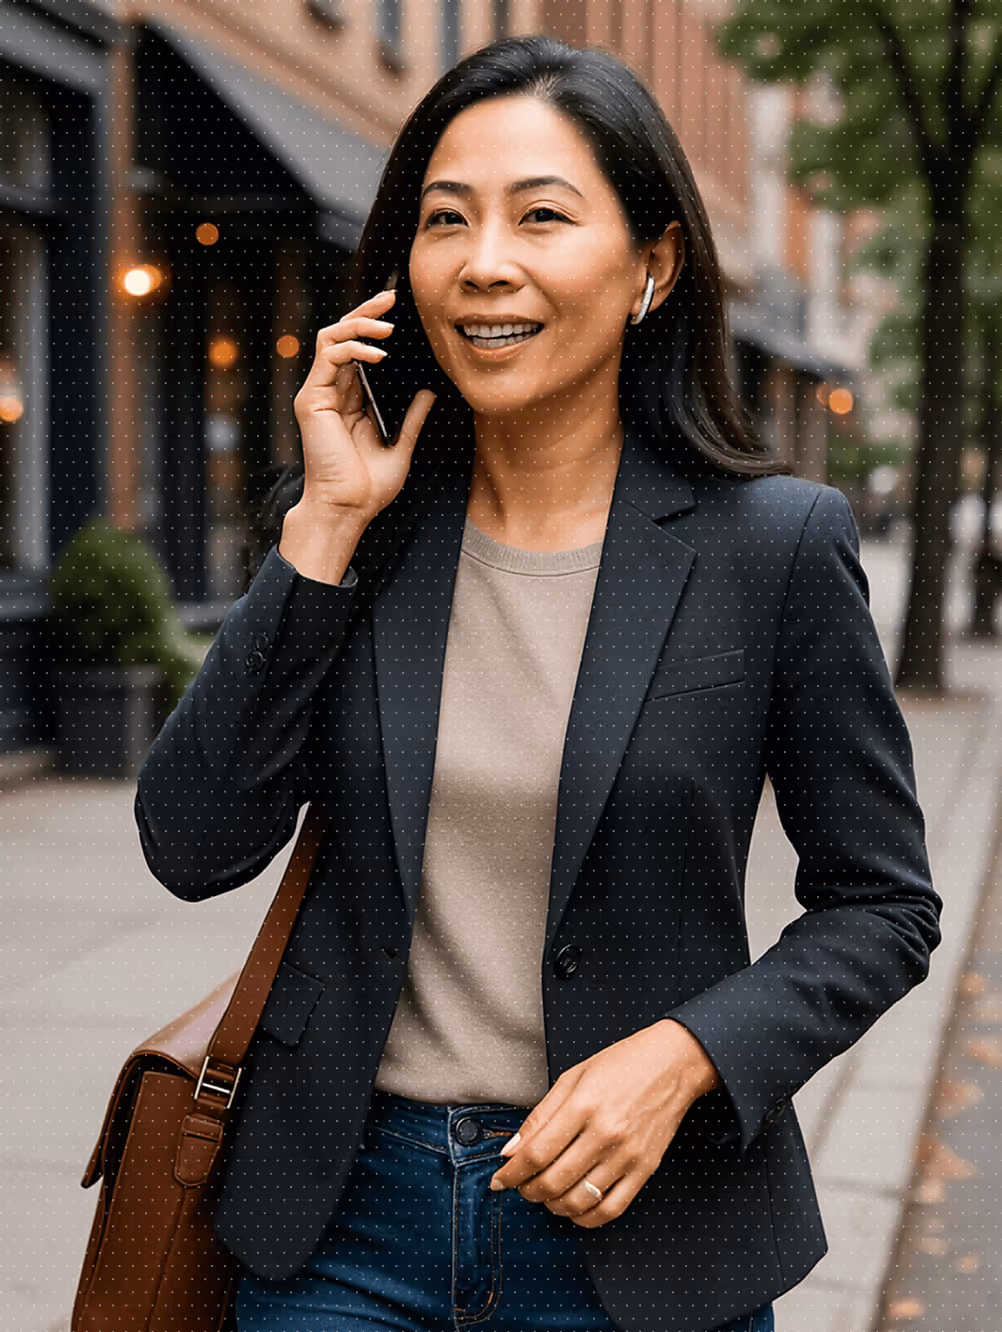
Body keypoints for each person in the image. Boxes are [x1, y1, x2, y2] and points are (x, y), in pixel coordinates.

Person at [135, 34, 940, 1332]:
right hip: (340, 1223)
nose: (484, 261)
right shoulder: (358, 529)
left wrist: (685, 1059)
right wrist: (321, 537)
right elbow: (188, 841)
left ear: (651, 266)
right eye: (444, 220)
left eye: (541, 216)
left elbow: (882, 905)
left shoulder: (772, 548)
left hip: (643, 1224)